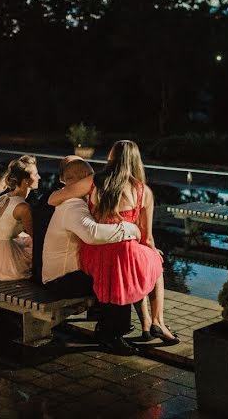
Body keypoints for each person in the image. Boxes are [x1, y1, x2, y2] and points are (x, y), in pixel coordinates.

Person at [49, 140, 177, 354]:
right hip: (123, 256)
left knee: (135, 265)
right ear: (136, 162)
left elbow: (53, 199)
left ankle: (146, 324)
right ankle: (156, 322)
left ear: (111, 158)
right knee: (152, 263)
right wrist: (152, 251)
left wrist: (79, 200)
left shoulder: (94, 181)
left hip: (94, 255)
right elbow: (147, 237)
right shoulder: (143, 191)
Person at [42, 156, 142, 301]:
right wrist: (130, 229)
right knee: (118, 279)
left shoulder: (71, 200)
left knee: (116, 270)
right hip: (60, 282)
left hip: (60, 278)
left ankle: (110, 320)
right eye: (92, 178)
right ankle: (114, 324)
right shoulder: (73, 205)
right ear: (84, 179)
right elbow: (92, 234)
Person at [0, 156, 38, 281]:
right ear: (26, 181)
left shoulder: (4, 197)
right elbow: (35, 236)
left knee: (25, 241)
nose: (39, 177)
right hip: (1, 261)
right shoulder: (23, 207)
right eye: (36, 174)